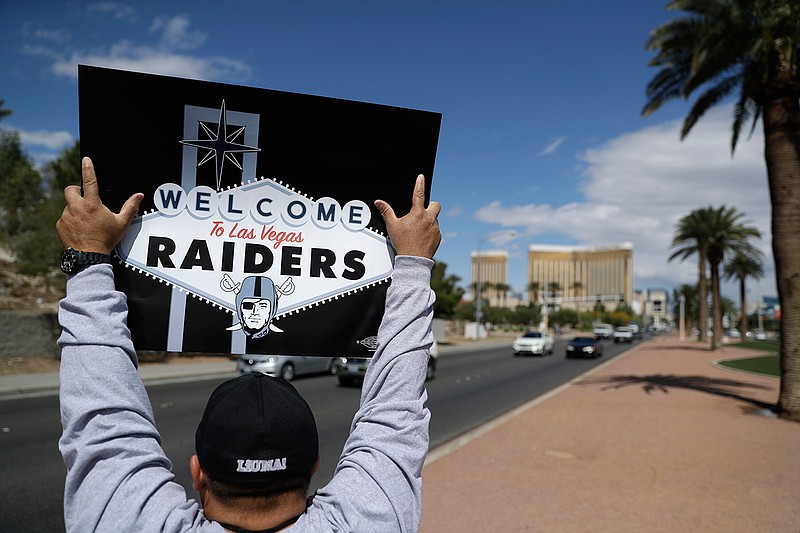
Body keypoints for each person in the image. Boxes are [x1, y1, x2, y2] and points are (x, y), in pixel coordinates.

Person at [57, 157, 441, 532]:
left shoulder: (132, 521)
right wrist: (413, 264)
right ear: (314, 466)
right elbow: (395, 413)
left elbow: (104, 422)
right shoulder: (370, 520)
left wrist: (90, 255)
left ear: (197, 474)